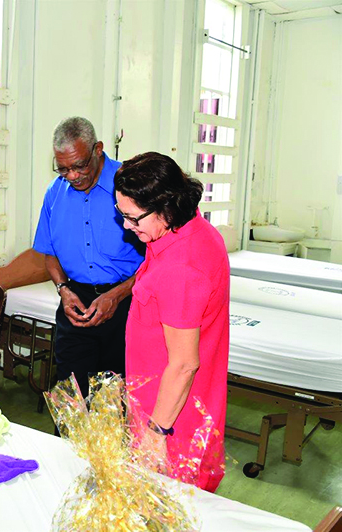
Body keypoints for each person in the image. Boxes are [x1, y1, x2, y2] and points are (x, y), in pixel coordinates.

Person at [114, 152, 230, 492]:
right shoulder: (185, 229)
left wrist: (155, 434)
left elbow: (183, 364)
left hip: (173, 421)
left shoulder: (181, 267)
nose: (126, 226)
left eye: (133, 218)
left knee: (170, 508)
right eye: (121, 215)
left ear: (166, 207)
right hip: (162, 403)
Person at [33, 117, 144, 397]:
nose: (72, 176)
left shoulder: (131, 186)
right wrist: (63, 290)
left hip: (128, 303)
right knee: (71, 399)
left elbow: (157, 259)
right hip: (76, 303)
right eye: (63, 169)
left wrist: (116, 296)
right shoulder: (54, 193)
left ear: (98, 150)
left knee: (118, 401)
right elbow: (49, 253)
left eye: (79, 165)